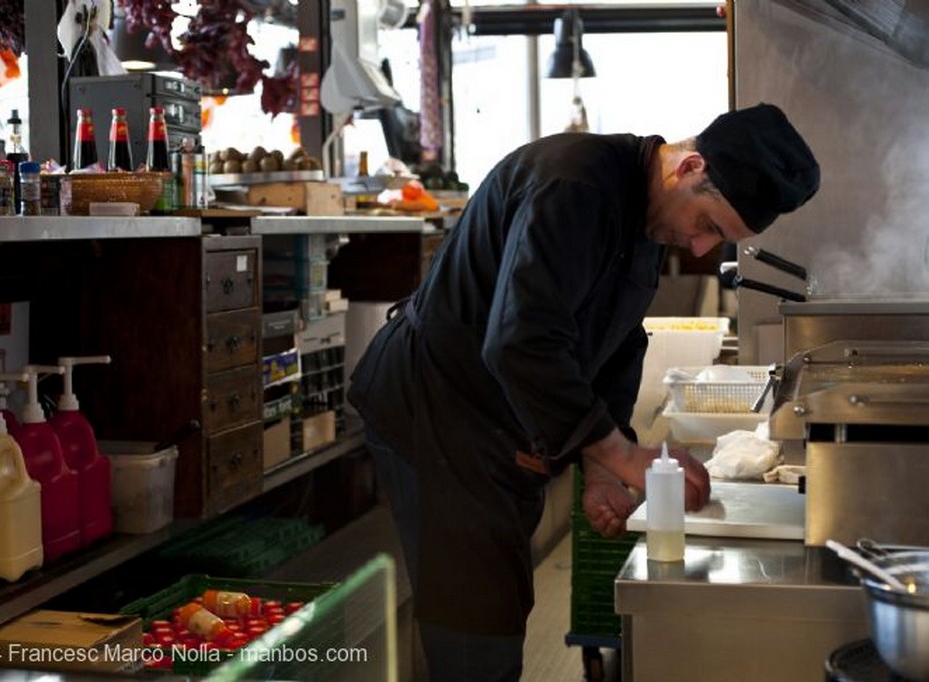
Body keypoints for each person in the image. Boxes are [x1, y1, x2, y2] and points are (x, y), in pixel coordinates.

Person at [347, 102, 820, 681]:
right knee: (475, 621)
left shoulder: (646, 214)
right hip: (435, 404)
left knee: (498, 600)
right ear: (690, 167)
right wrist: (620, 455)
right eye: (707, 226)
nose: (699, 249)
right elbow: (521, 342)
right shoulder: (575, 186)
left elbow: (616, 343)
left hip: (493, 416)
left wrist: (602, 465)